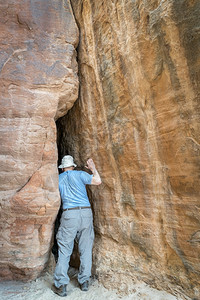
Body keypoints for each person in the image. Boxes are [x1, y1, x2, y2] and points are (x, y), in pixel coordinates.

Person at [52, 155, 101, 297]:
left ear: (62, 168)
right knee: (85, 248)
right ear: (73, 166)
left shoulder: (58, 179)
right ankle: (84, 282)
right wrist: (93, 169)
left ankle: (61, 285)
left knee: (64, 249)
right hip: (85, 213)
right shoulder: (80, 174)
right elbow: (98, 181)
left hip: (69, 214)